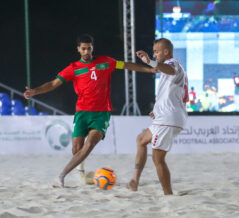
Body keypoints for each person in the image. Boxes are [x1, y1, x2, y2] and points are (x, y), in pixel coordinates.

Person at [23, 34, 155, 188]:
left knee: (90, 143)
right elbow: (53, 84)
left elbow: (127, 65)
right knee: (76, 149)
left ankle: (61, 176)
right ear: (78, 49)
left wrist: (150, 70)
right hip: (82, 112)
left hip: (101, 113)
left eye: (89, 48)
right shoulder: (73, 68)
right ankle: (81, 174)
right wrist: (34, 91)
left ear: (93, 48)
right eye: (83, 49)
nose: (87, 52)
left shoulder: (106, 62)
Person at [126, 38, 188, 195]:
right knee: (141, 140)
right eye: (153, 52)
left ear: (166, 52)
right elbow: (170, 94)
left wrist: (149, 61)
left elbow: (170, 70)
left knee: (158, 159)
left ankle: (168, 194)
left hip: (169, 118)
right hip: (165, 116)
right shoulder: (168, 69)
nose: (154, 54)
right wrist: (157, 109)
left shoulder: (174, 64)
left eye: (156, 52)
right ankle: (134, 181)